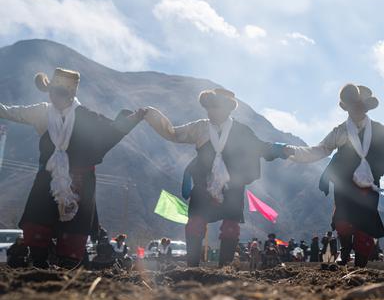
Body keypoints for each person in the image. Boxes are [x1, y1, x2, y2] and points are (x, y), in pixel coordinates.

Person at [0, 68, 144, 268]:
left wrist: (130, 121)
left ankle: (67, 271)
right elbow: (9, 111)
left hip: (80, 182)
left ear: (70, 95)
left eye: (61, 93)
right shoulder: (41, 111)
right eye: (53, 92)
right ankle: (38, 265)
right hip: (47, 180)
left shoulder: (85, 116)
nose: (55, 97)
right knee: (38, 226)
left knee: (73, 237)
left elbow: (109, 133)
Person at [143, 88, 292, 267]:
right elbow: (173, 133)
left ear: (228, 109)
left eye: (215, 108)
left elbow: (259, 147)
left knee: (230, 227)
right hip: (203, 184)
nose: (211, 112)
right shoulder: (200, 127)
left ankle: (225, 268)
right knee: (195, 224)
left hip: (233, 185)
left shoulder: (241, 131)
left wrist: (278, 148)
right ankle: (193, 267)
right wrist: (153, 116)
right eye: (208, 108)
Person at [288, 84, 384, 268]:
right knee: (343, 223)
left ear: (366, 108)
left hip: (368, 186)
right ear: (347, 108)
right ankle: (345, 251)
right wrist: (291, 152)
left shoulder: (379, 131)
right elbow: (320, 150)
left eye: (359, 106)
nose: (356, 111)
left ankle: (359, 268)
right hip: (344, 186)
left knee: (364, 229)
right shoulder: (340, 131)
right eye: (352, 107)